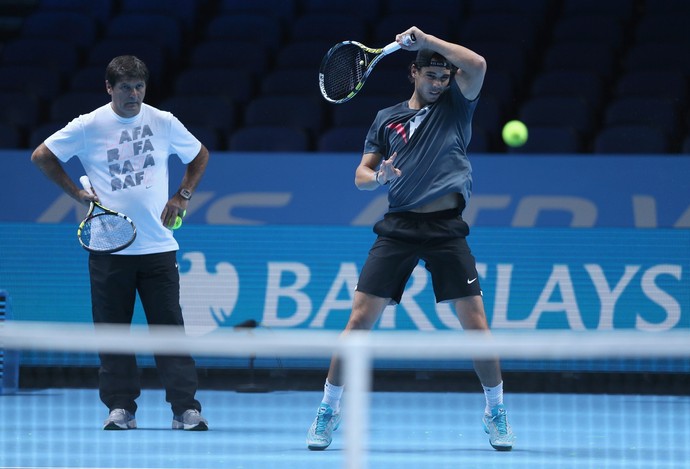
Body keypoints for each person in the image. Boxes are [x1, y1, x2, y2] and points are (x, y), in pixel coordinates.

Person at [306, 27, 515, 451]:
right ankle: (327, 410)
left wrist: (428, 40)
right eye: (431, 75)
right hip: (399, 227)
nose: (439, 83)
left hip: (446, 230)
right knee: (358, 322)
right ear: (414, 74)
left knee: (477, 326)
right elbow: (361, 175)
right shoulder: (387, 119)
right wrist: (377, 176)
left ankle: (496, 411)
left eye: (444, 77)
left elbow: (477, 65)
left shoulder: (458, 105)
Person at [31, 55, 210, 431]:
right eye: (126, 87)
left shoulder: (162, 121)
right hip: (109, 247)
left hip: (158, 247)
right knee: (112, 330)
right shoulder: (88, 125)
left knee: (169, 330)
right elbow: (42, 156)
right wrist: (76, 193)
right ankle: (120, 407)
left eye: (139, 86)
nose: (134, 94)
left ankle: (185, 409)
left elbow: (199, 156)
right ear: (109, 88)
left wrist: (183, 195)